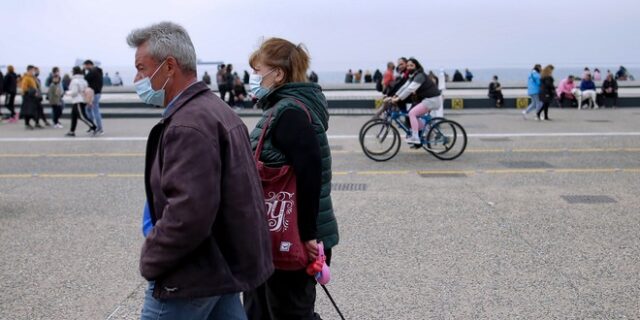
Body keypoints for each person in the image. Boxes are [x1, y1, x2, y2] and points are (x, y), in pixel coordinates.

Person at [127, 21, 273, 319]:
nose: (137, 78)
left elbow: (188, 213)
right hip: (222, 267)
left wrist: (152, 258)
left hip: (191, 276)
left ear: (169, 67)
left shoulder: (187, 125)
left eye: (142, 68)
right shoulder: (216, 109)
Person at [243, 37, 339, 320]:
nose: (254, 78)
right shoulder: (284, 108)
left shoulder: (290, 112)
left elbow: (311, 172)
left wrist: (309, 235)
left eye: (258, 71)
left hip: (291, 237)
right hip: (280, 233)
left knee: (290, 313)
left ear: (279, 74)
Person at [389, 58, 442, 144]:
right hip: (427, 100)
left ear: (416, 66)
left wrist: (398, 99)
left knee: (412, 113)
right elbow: (404, 87)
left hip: (432, 100)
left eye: (412, 65)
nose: (409, 67)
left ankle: (415, 137)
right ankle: (429, 132)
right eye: (408, 66)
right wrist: (395, 96)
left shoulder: (420, 76)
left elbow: (410, 89)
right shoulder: (413, 76)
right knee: (413, 116)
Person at [65, 66, 97, 136]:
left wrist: (67, 93)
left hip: (77, 100)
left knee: (82, 116)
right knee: (73, 116)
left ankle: (93, 127)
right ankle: (71, 131)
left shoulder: (74, 81)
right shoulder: (83, 80)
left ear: (74, 72)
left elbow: (74, 92)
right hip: (83, 99)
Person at [83, 60, 104, 135]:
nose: (84, 67)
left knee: (94, 110)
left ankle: (98, 128)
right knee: (90, 109)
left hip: (93, 93)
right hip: (97, 92)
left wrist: (82, 71)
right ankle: (94, 126)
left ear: (89, 65)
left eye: (85, 66)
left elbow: (85, 78)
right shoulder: (98, 71)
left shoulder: (93, 72)